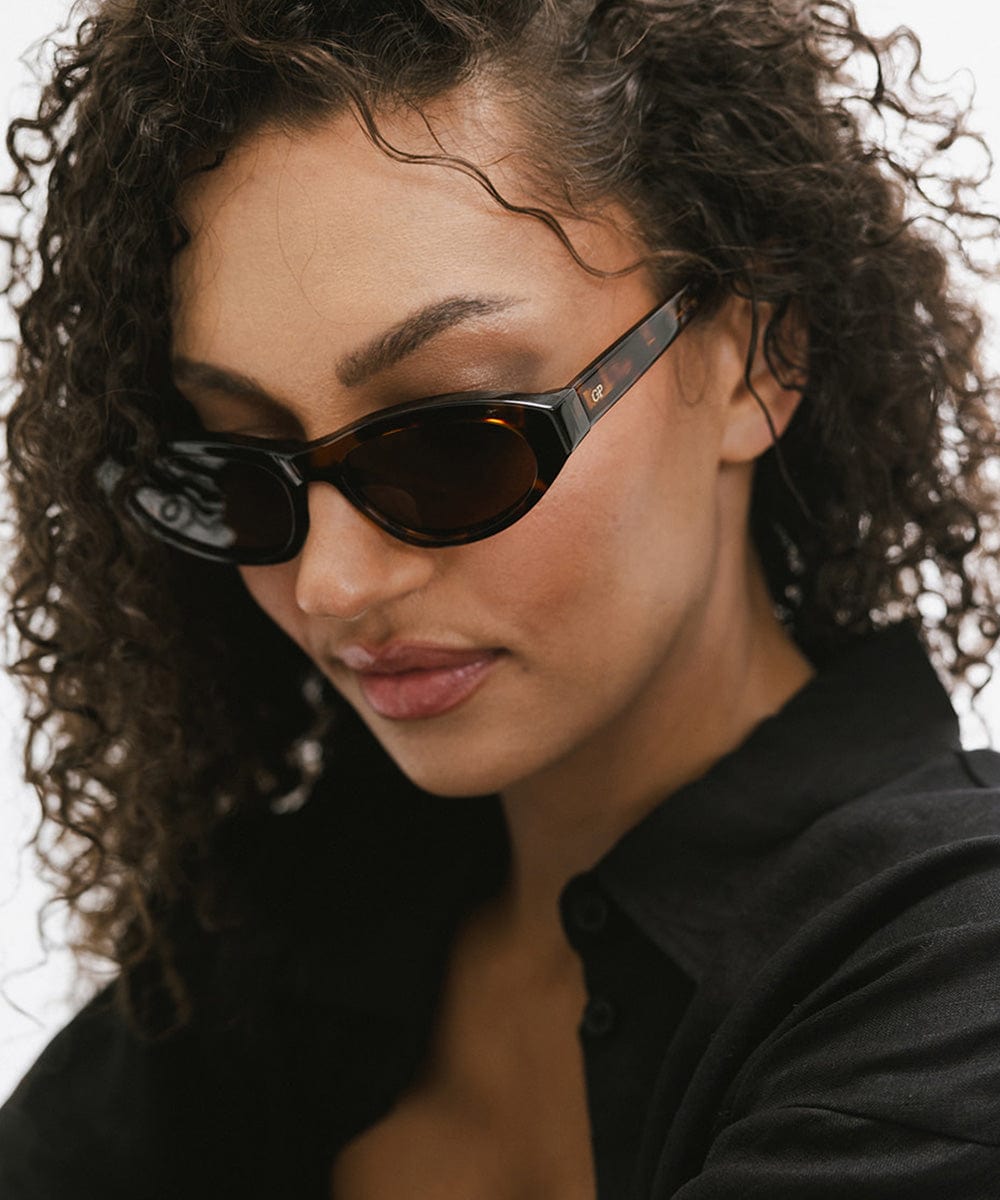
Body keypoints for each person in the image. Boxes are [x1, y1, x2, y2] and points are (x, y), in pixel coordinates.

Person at [1, 0, 999, 1196]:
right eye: (239, 467)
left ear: (755, 356)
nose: (331, 581)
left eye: (452, 442)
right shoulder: (269, 951)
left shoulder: (955, 977)